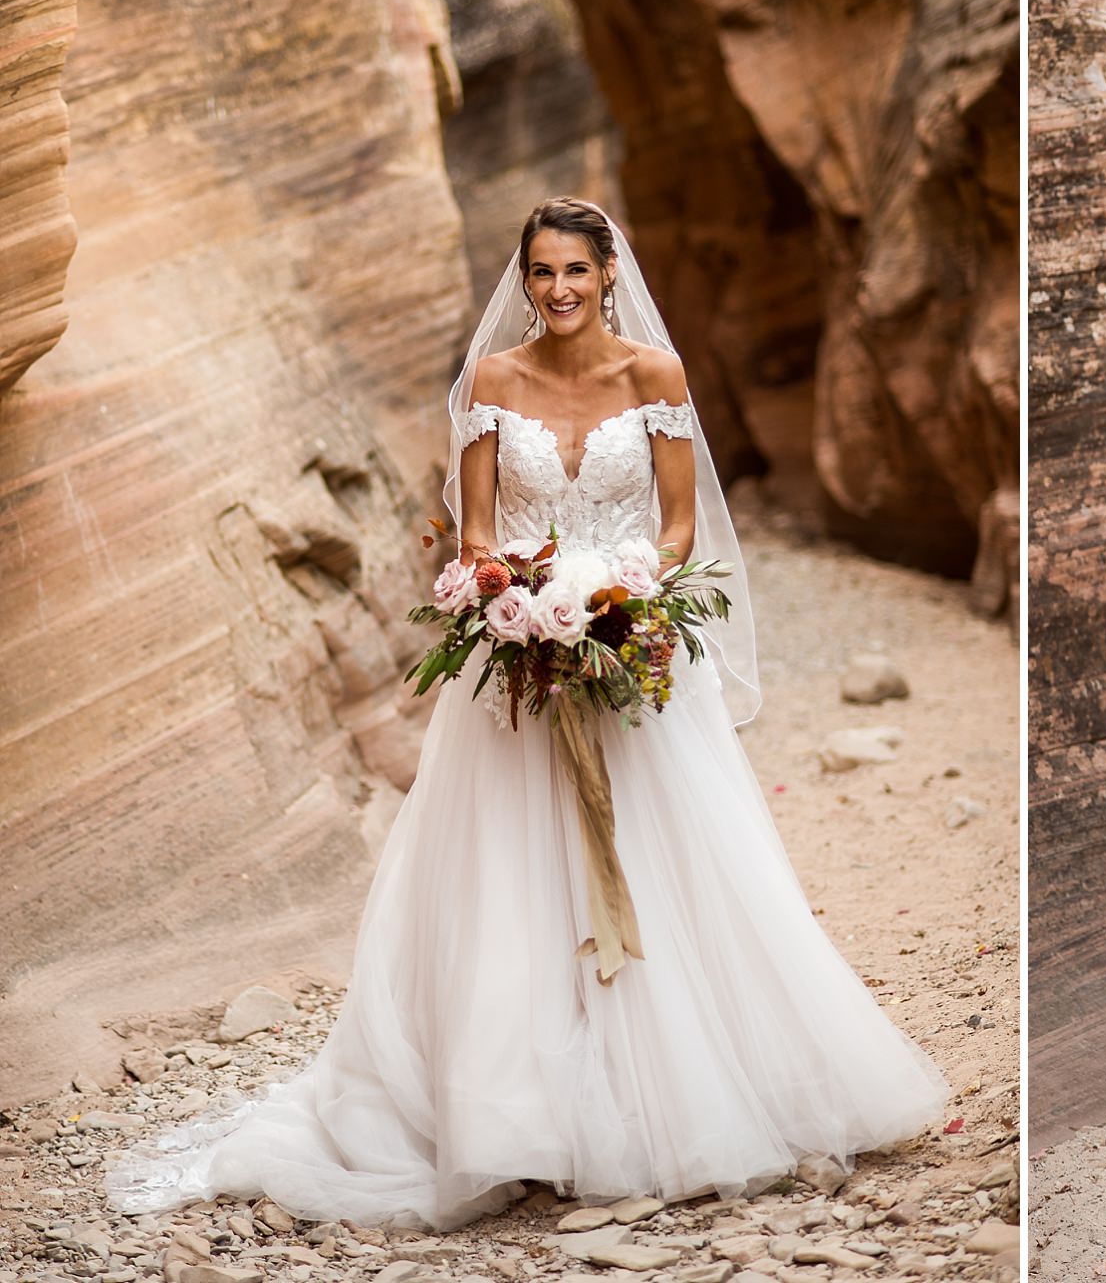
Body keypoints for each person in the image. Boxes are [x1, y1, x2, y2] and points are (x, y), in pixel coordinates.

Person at [105, 198, 950, 1231]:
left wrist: (629, 593)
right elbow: (474, 536)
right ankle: (521, 1113)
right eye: (540, 273)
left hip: (634, 648)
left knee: (664, 857)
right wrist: (522, 607)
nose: (557, 290)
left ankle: (674, 1097)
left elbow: (680, 521)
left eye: (574, 273)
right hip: (516, 659)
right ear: (525, 279)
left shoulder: (656, 377)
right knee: (510, 874)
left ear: (606, 275)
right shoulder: (492, 386)